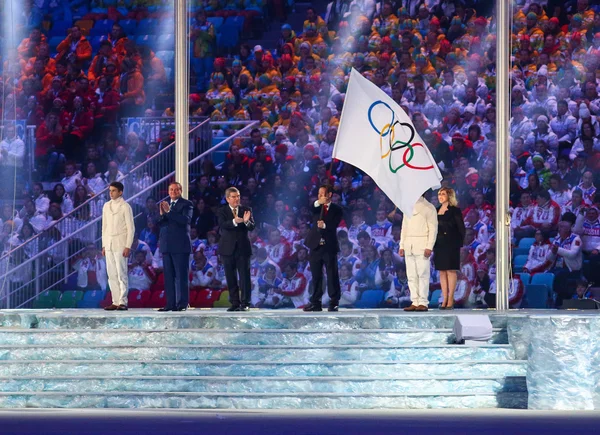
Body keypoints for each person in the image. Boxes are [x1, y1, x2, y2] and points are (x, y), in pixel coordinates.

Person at [303, 184, 343, 312]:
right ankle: (315, 302)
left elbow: (335, 224)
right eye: (318, 194)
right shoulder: (316, 206)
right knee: (316, 275)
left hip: (329, 245)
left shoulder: (337, 209)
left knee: (332, 274)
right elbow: (311, 209)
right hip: (315, 245)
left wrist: (325, 225)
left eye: (322, 193)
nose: (320, 196)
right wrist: (318, 202)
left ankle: (334, 301)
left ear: (329, 195)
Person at [217, 187, 255, 311]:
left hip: (243, 248)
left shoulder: (246, 210)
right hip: (227, 249)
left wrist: (246, 221)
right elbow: (223, 225)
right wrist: (234, 221)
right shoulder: (222, 210)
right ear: (227, 198)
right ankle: (235, 303)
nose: (237, 199)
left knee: (244, 277)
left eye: (238, 196)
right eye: (233, 197)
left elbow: (251, 227)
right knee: (230, 276)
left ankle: (246, 303)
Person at [157, 182, 193, 311]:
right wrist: (162, 214)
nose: (173, 192)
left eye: (176, 189)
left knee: (181, 276)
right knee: (168, 277)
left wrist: (169, 212)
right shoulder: (167, 205)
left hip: (180, 246)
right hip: (167, 246)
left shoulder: (187, 204)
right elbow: (162, 224)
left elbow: (185, 220)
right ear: (168, 191)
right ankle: (170, 304)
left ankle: (182, 304)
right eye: (171, 189)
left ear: (181, 190)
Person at [400, 195, 438, 312]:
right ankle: (415, 301)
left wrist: (429, 246)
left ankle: (423, 302)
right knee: (411, 276)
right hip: (409, 245)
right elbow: (404, 228)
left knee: (423, 274)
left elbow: (433, 229)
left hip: (422, 245)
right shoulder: (407, 207)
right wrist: (402, 245)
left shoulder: (429, 207)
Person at [101, 182, 134, 311]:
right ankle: (115, 301)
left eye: (114, 191)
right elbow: (104, 227)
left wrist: (128, 246)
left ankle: (123, 301)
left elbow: (131, 228)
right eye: (110, 190)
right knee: (111, 274)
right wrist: (104, 245)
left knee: (122, 273)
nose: (111, 193)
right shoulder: (106, 206)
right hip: (109, 243)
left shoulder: (125, 207)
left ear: (120, 192)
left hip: (121, 243)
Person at [434, 188, 466, 309]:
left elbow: (461, 229)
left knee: (450, 270)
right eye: (439, 194)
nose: (440, 196)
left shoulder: (455, 211)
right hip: (439, 244)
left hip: (451, 244)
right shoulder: (435, 210)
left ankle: (451, 298)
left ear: (449, 196)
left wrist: (459, 244)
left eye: (443, 194)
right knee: (442, 271)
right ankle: (444, 298)